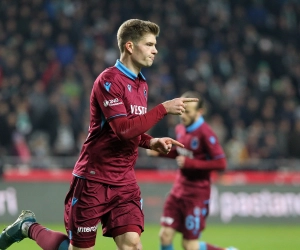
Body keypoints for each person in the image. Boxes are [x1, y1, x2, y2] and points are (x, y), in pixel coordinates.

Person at [0, 19, 198, 250]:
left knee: (132, 245)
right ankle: (28, 227)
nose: (155, 50)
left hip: (124, 180)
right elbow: (123, 130)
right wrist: (163, 108)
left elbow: (130, 129)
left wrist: (150, 141)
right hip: (94, 178)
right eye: (149, 44)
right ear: (130, 46)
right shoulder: (108, 81)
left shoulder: (142, 84)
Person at [147, 91, 238, 250]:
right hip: (178, 191)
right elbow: (181, 154)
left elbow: (221, 163)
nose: (182, 116)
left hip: (196, 195)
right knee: (165, 235)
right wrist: (161, 151)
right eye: (182, 111)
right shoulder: (180, 129)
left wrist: (192, 164)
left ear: (199, 112)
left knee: (189, 245)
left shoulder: (206, 133)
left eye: (187, 112)